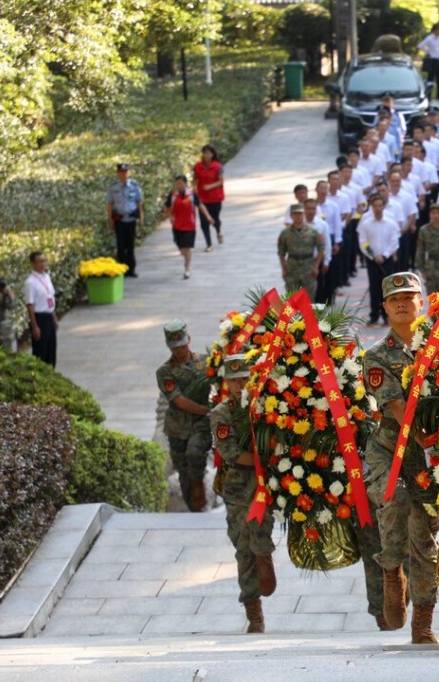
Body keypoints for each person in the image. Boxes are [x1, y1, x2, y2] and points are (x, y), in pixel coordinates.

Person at [363, 273, 439, 644]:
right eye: (393, 299)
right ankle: (392, 570)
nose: (400, 303)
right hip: (390, 448)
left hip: (430, 454)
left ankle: (423, 622)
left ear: (421, 303)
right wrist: (426, 439)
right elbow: (395, 405)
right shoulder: (377, 356)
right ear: (384, 307)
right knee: (395, 497)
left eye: (408, 297)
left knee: (425, 539)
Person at [210, 353, 277, 633]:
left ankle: (265, 557)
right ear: (227, 382)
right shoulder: (222, 414)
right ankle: (254, 612)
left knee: (259, 534)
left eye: (244, 379)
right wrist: (265, 459)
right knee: (242, 548)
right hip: (238, 489)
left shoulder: (265, 406)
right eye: (234, 381)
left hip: (264, 487)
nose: (240, 385)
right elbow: (231, 454)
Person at [156, 320, 211, 512]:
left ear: (188, 340)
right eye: (175, 348)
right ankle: (194, 508)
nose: (179, 351)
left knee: (195, 453)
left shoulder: (205, 361)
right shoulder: (165, 372)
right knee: (184, 473)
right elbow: (179, 401)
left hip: (200, 424)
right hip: (178, 427)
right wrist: (205, 409)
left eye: (182, 345)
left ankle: (200, 497)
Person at [358, 194, 401, 325]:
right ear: (371, 207)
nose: (377, 208)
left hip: (386, 259)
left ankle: (386, 314)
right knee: (374, 287)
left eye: (380, 205)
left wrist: (385, 255)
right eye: (375, 205)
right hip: (372, 260)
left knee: (387, 288)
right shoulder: (366, 223)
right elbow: (362, 242)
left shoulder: (390, 223)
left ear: (383, 206)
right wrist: (372, 256)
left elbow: (394, 242)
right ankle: (374, 315)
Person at [167, 175, 212, 280]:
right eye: (177, 184)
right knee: (181, 249)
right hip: (177, 226)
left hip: (189, 226)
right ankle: (185, 258)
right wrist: (170, 216)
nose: (179, 186)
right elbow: (167, 207)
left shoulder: (191, 195)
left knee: (187, 248)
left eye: (181, 184)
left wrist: (208, 216)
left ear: (185, 184)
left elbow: (200, 206)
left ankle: (187, 268)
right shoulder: (173, 195)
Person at [277, 203, 324, 300]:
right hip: (292, 268)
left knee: (309, 300)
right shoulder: (285, 233)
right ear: (291, 216)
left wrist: (316, 267)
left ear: (304, 214)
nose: (298, 216)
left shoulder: (313, 232)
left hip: (309, 267)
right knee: (292, 299)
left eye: (300, 214)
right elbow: (281, 252)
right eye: (295, 214)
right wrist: (283, 268)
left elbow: (321, 249)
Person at [106, 163, 144, 276]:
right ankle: (122, 269)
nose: (124, 174)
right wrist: (110, 220)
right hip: (119, 220)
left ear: (129, 172)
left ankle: (131, 270)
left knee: (131, 245)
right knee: (121, 246)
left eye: (126, 171)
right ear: (118, 173)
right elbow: (109, 204)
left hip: (131, 219)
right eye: (122, 172)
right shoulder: (113, 187)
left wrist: (141, 217)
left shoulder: (134, 185)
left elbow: (139, 203)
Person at [23, 251, 57, 367]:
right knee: (41, 351)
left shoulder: (47, 277)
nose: (42, 264)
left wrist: (54, 317)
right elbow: (30, 305)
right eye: (39, 262)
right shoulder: (30, 282)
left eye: (44, 261)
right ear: (32, 264)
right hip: (39, 318)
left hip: (49, 316)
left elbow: (50, 298)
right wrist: (35, 326)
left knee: (51, 350)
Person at [193, 145, 225, 249]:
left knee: (215, 218)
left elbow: (221, 181)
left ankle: (218, 231)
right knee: (203, 222)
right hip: (202, 197)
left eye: (208, 153)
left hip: (215, 197)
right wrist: (194, 188)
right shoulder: (198, 166)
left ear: (212, 154)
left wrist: (210, 186)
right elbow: (195, 179)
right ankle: (209, 244)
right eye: (204, 153)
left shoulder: (217, 166)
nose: (206, 155)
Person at [418, 23, 439, 100]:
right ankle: (429, 95)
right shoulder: (430, 38)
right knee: (431, 78)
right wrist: (427, 52)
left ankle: (438, 94)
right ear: (435, 30)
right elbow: (420, 46)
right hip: (432, 60)